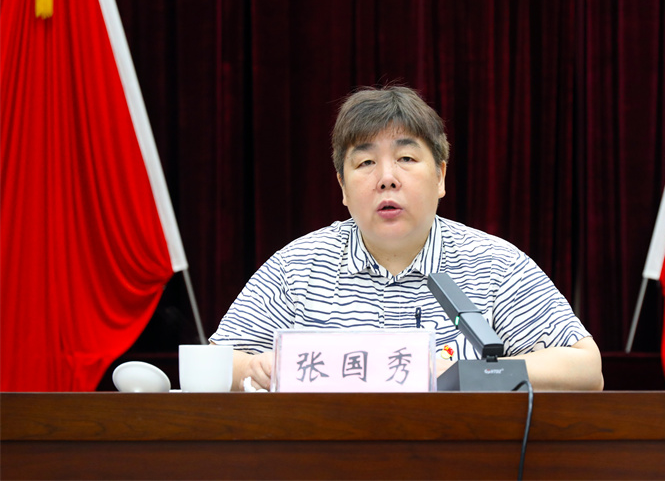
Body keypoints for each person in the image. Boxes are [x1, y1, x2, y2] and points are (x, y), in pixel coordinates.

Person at [210, 85, 603, 391]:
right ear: (342, 187)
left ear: (441, 176)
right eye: (366, 162)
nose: (387, 178)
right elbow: (214, 363)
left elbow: (585, 369)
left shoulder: (494, 264)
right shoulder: (298, 266)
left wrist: (463, 373)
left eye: (406, 159)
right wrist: (255, 368)